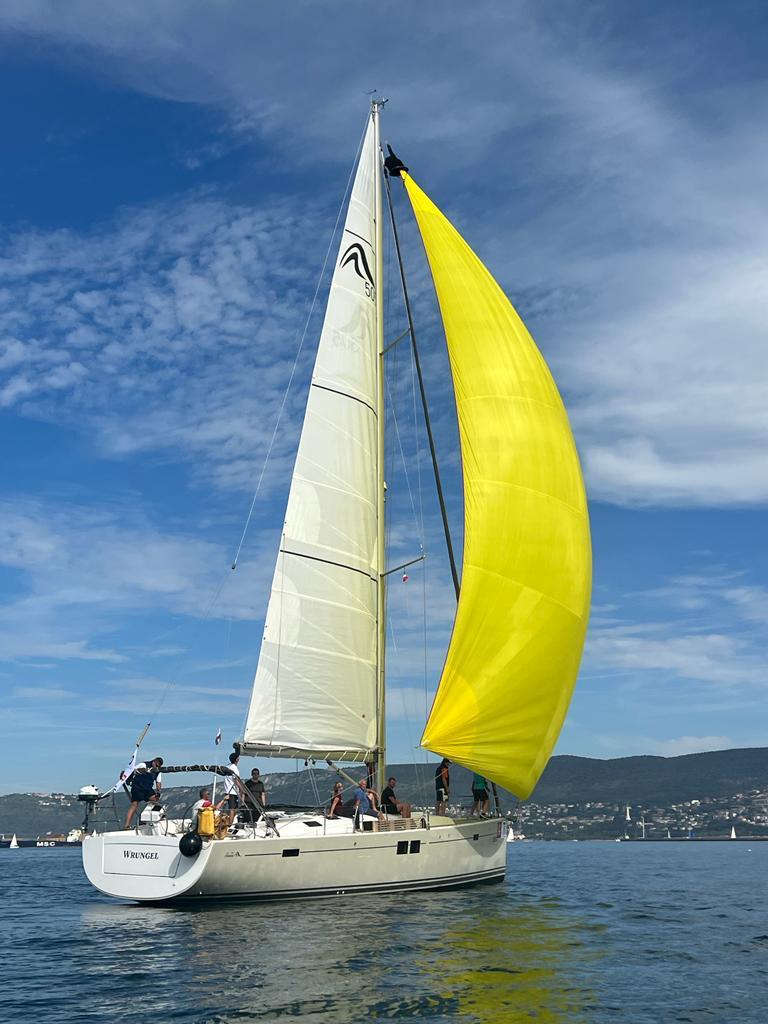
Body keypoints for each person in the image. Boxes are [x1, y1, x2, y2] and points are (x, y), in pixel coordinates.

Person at [124, 756, 164, 829]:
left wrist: (158, 792)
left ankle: (145, 818)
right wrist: (128, 779)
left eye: (159, 766)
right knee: (134, 805)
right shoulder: (143, 765)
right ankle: (127, 825)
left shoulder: (158, 771)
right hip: (137, 787)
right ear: (154, 761)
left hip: (147, 789)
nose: (157, 767)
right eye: (157, 765)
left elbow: (158, 782)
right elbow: (132, 771)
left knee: (155, 800)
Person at [222, 751, 241, 827]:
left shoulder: (227, 766)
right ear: (237, 759)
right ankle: (229, 825)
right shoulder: (234, 768)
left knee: (233, 809)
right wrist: (242, 790)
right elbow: (236, 780)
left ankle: (227, 821)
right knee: (232, 809)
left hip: (227, 791)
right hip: (232, 792)